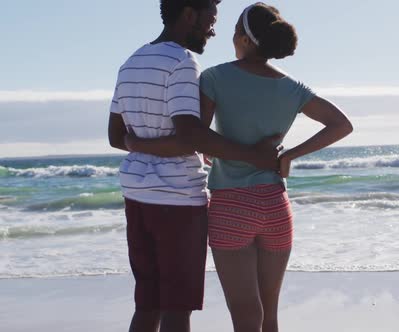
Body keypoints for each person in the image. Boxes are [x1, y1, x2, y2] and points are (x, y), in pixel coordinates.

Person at [125, 2, 353, 332]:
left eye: (233, 33)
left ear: (245, 39)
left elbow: (195, 135)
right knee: (269, 316)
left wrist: (208, 149)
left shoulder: (215, 76)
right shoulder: (293, 88)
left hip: (232, 206)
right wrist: (288, 156)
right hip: (276, 205)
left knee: (246, 316)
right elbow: (341, 124)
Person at [107, 1, 282, 332]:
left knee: (148, 304)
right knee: (177, 309)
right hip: (177, 200)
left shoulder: (131, 63)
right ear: (189, 13)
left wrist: (139, 144)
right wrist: (253, 156)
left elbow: (117, 136)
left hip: (136, 196)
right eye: (210, 20)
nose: (213, 30)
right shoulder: (182, 62)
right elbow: (190, 137)